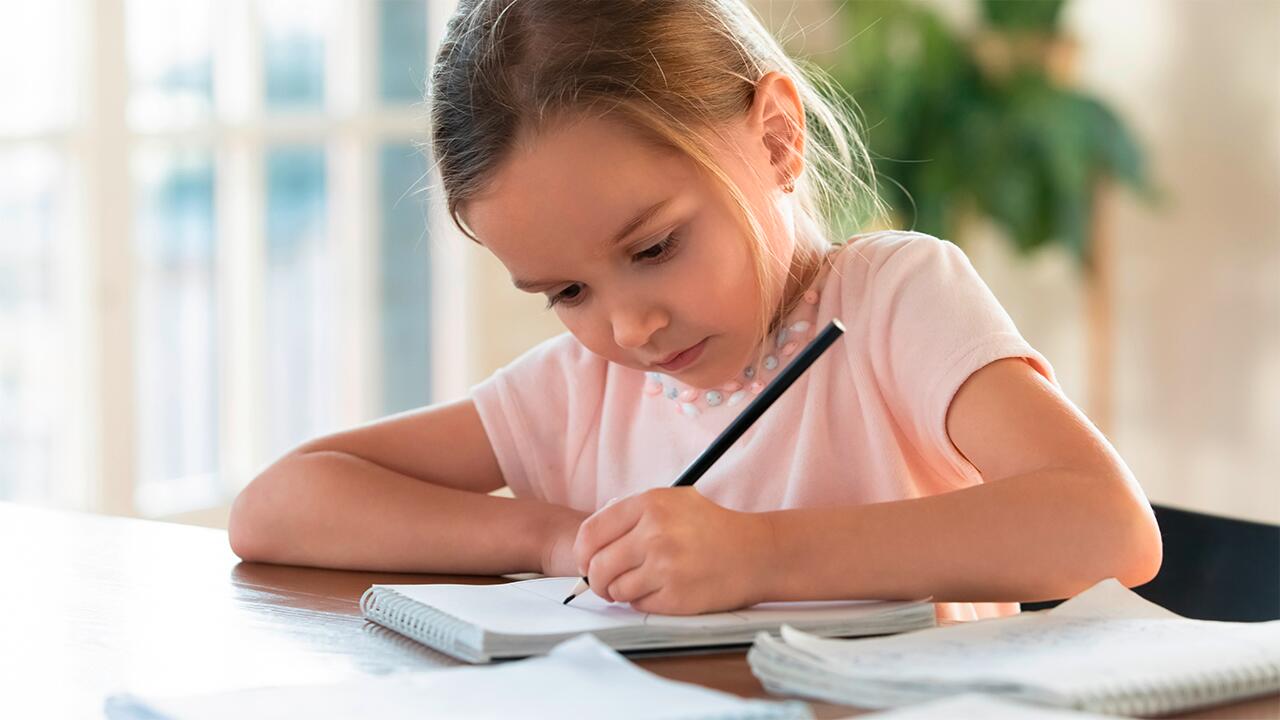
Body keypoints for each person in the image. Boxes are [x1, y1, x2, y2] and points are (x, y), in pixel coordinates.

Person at [229, 0, 1162, 622]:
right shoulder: (589, 386)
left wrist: (760, 555)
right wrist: (557, 537)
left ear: (776, 138)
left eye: (653, 249)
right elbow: (277, 508)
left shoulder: (894, 303)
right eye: (566, 292)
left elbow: (1108, 529)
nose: (629, 329)